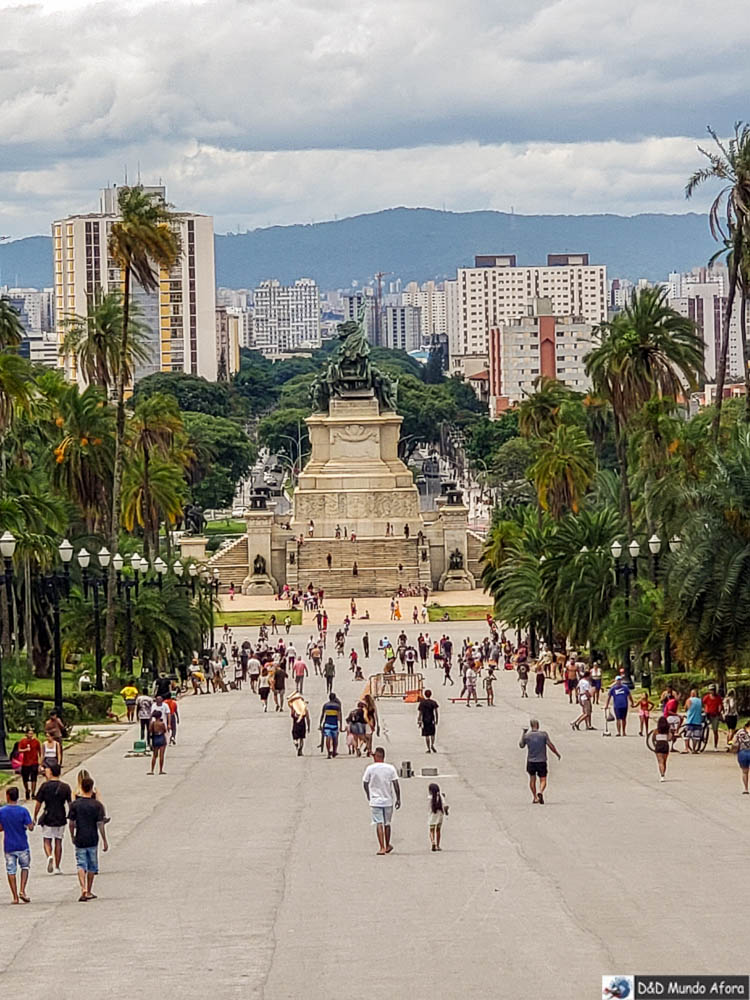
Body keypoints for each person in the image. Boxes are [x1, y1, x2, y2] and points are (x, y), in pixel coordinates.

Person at [68, 775, 107, 902]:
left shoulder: (74, 805)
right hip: (92, 838)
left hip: (80, 837)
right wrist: (105, 840)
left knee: (80, 864)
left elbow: (71, 823)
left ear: (82, 788)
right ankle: (89, 890)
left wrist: (72, 835)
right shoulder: (97, 805)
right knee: (92, 866)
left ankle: (83, 887)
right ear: (91, 789)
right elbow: (100, 824)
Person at [33, 761, 72, 874]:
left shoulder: (45, 786)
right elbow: (70, 804)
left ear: (51, 771)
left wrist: (35, 815)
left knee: (47, 840)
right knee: (58, 841)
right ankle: (57, 867)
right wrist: (71, 816)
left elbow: (38, 803)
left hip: (48, 815)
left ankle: (49, 855)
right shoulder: (65, 787)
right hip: (61, 816)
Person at [362, 747, 401, 855]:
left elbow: (365, 782)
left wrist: (368, 794)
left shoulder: (370, 768)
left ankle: (382, 847)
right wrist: (398, 798)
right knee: (387, 823)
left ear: (378, 756)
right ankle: (387, 844)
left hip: (375, 800)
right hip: (388, 800)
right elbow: (396, 784)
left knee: (378, 822)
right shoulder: (390, 768)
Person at [0, 787, 33, 903]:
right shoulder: (23, 811)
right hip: (22, 844)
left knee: (11, 870)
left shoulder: (2, 811)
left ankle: (14, 896)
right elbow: (30, 826)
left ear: (7, 796)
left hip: (9, 845)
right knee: (25, 867)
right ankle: (22, 890)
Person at [518, 719, 561, 805]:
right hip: (542, 761)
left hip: (531, 761)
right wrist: (557, 753)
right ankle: (540, 791)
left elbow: (521, 745)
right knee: (543, 779)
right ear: (538, 725)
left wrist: (523, 733)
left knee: (532, 779)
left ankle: (535, 797)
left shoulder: (527, 736)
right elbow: (550, 745)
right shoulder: (543, 735)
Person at [17, 727, 41, 800]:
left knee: (34, 778)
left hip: (34, 762)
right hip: (25, 762)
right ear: (26, 734)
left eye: (32, 733)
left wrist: (40, 762)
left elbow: (40, 751)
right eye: (29, 733)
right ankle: (27, 790)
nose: (31, 735)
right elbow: (19, 750)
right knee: (25, 779)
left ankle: (33, 793)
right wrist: (25, 750)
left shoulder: (36, 741)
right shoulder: (23, 741)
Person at [320, 693, 343, 758]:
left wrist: (320, 723)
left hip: (327, 723)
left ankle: (328, 752)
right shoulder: (337, 706)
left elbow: (322, 715)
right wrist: (340, 725)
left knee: (328, 737)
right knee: (335, 738)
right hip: (334, 724)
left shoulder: (325, 705)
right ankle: (334, 751)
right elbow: (339, 716)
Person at [702, 684, 724, 750]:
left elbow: (720, 706)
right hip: (708, 714)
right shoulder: (706, 697)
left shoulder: (718, 698)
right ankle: (702, 737)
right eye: (710, 690)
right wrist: (705, 710)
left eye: (713, 690)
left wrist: (719, 712)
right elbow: (704, 704)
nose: (712, 691)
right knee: (703, 726)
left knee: (715, 730)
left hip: (715, 715)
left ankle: (715, 745)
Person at [427, 782, 448, 852]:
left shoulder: (430, 798)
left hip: (432, 815)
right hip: (440, 815)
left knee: (431, 830)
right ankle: (438, 845)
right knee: (438, 830)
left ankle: (433, 842)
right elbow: (445, 806)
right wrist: (446, 811)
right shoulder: (441, 797)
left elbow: (429, 807)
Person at [733, 720, 750, 793]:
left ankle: (746, 788)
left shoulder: (740, 732)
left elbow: (734, 742)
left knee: (744, 772)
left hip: (742, 753)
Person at [653, 715, 671, 781]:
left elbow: (654, 739)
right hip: (665, 744)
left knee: (660, 762)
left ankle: (662, 775)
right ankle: (663, 774)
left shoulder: (656, 731)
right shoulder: (667, 731)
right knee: (664, 761)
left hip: (658, 744)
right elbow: (669, 738)